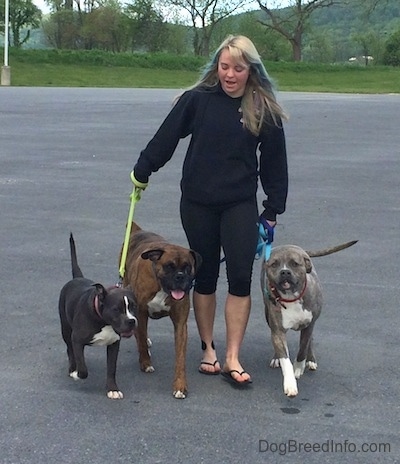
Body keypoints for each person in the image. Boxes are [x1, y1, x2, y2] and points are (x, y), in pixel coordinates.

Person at [131, 35, 288, 385]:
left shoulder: (262, 107)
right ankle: (208, 350)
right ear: (216, 66)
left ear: (251, 70)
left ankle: (232, 356)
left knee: (240, 278)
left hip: (239, 205)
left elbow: (275, 164)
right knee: (203, 278)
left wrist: (273, 208)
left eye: (238, 68)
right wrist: (143, 170)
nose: (230, 74)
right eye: (224, 66)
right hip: (197, 203)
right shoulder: (197, 100)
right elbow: (166, 138)